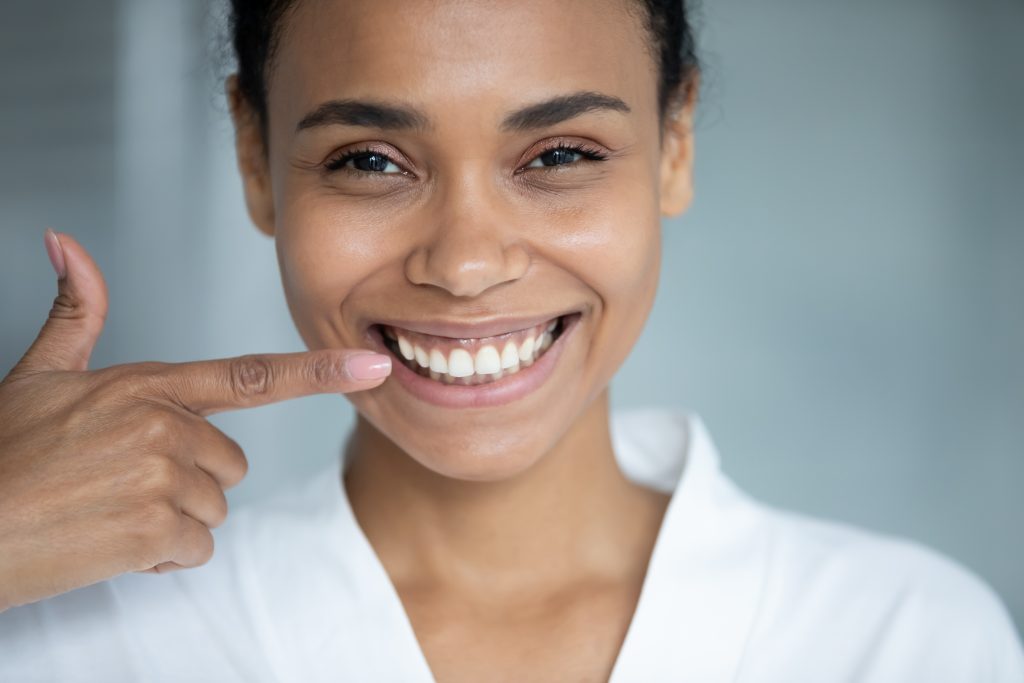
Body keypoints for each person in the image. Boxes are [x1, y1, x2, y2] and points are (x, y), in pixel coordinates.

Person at [0, 0, 1021, 680]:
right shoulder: (73, 635)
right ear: (257, 157)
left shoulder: (907, 639)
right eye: (369, 160)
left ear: (675, 141)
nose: (466, 261)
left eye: (561, 153)